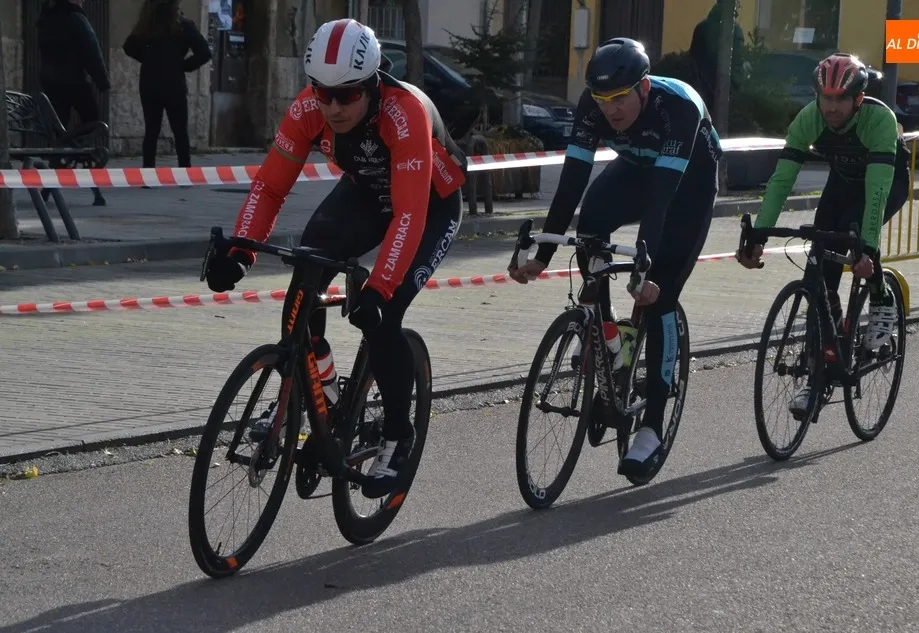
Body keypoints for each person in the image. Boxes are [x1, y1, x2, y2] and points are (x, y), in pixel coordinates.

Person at [204, 19, 467, 499]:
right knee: (305, 277)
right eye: (323, 93)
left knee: (383, 318)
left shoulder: (403, 113)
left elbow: (409, 214)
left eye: (347, 95)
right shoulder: (308, 110)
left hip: (429, 207)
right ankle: (310, 389)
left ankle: (398, 434)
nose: (333, 107)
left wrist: (379, 289)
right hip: (366, 194)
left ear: (372, 84)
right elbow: (269, 187)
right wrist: (240, 251)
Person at [508, 38, 722, 480]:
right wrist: (544, 253)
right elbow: (571, 183)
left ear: (644, 87)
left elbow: (661, 201)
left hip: (688, 186)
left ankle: (653, 426)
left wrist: (645, 270)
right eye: (603, 99)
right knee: (591, 225)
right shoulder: (592, 106)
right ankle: (609, 338)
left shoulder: (677, 107)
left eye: (620, 98)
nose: (611, 109)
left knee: (658, 296)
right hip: (637, 170)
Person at [737, 53, 910, 418]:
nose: (831, 108)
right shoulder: (809, 119)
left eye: (840, 99)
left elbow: (877, 193)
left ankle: (881, 299)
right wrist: (759, 235)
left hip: (886, 182)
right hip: (843, 184)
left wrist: (867, 248)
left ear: (858, 98)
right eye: (825, 98)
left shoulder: (878, 119)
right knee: (819, 263)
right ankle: (818, 371)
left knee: (856, 232)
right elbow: (782, 180)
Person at [36, 0, 110, 206]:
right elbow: (91, 50)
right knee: (93, 123)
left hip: (50, 83)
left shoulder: (46, 18)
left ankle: (64, 157)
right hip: (74, 82)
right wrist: (102, 81)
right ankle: (73, 153)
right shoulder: (76, 18)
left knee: (60, 132)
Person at [123, 0, 212, 170]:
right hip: (174, 83)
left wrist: (148, 60)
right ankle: (184, 172)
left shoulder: (147, 26)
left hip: (150, 82)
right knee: (180, 131)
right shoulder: (183, 26)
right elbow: (204, 53)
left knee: (151, 131)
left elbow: (129, 47)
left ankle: (148, 171)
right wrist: (183, 65)